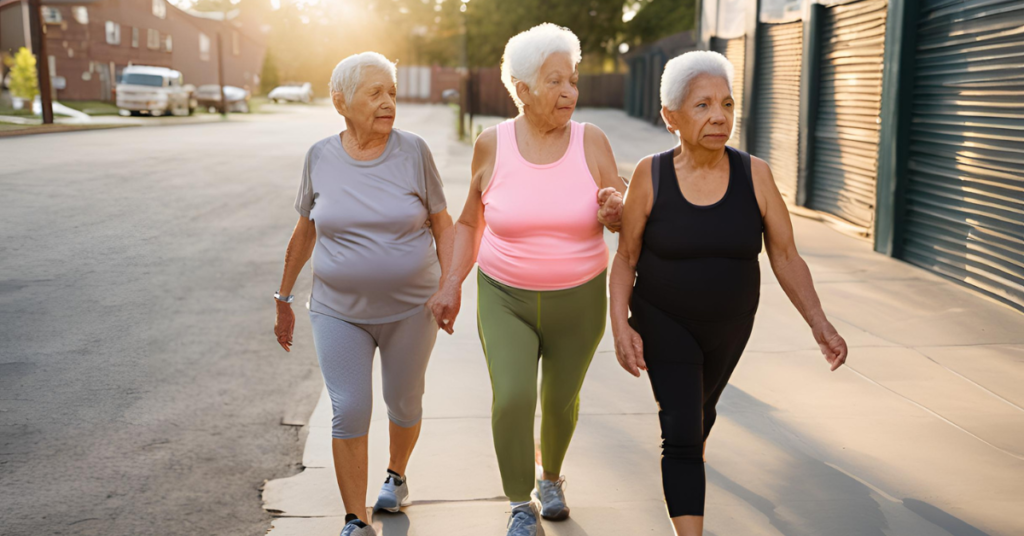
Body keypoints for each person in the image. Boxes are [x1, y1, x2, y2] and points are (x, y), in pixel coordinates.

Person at [609, 50, 850, 535]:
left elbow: (785, 255)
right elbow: (626, 258)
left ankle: (688, 464)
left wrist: (819, 322)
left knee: (700, 414)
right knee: (680, 430)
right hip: (662, 317)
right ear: (670, 117)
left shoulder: (755, 174)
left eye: (727, 104)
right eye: (702, 106)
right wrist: (619, 325)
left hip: (730, 327)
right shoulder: (649, 175)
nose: (720, 116)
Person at [426, 23, 625, 536]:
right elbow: (471, 222)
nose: (569, 92)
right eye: (555, 81)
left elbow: (625, 206)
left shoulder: (592, 141)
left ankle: (552, 476)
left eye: (573, 80)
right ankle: (520, 503)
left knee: (560, 401)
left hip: (579, 300)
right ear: (522, 89)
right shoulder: (491, 144)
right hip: (504, 296)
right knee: (513, 396)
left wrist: (616, 209)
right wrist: (451, 283)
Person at [273, 52, 454, 536]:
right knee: (349, 407)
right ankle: (355, 518)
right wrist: (283, 297)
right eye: (375, 93)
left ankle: (396, 474)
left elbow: (443, 223)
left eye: (391, 92)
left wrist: (449, 285)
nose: (387, 102)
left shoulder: (414, 152)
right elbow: (305, 231)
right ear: (340, 102)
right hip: (338, 310)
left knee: (404, 402)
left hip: (411, 310)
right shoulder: (319, 156)